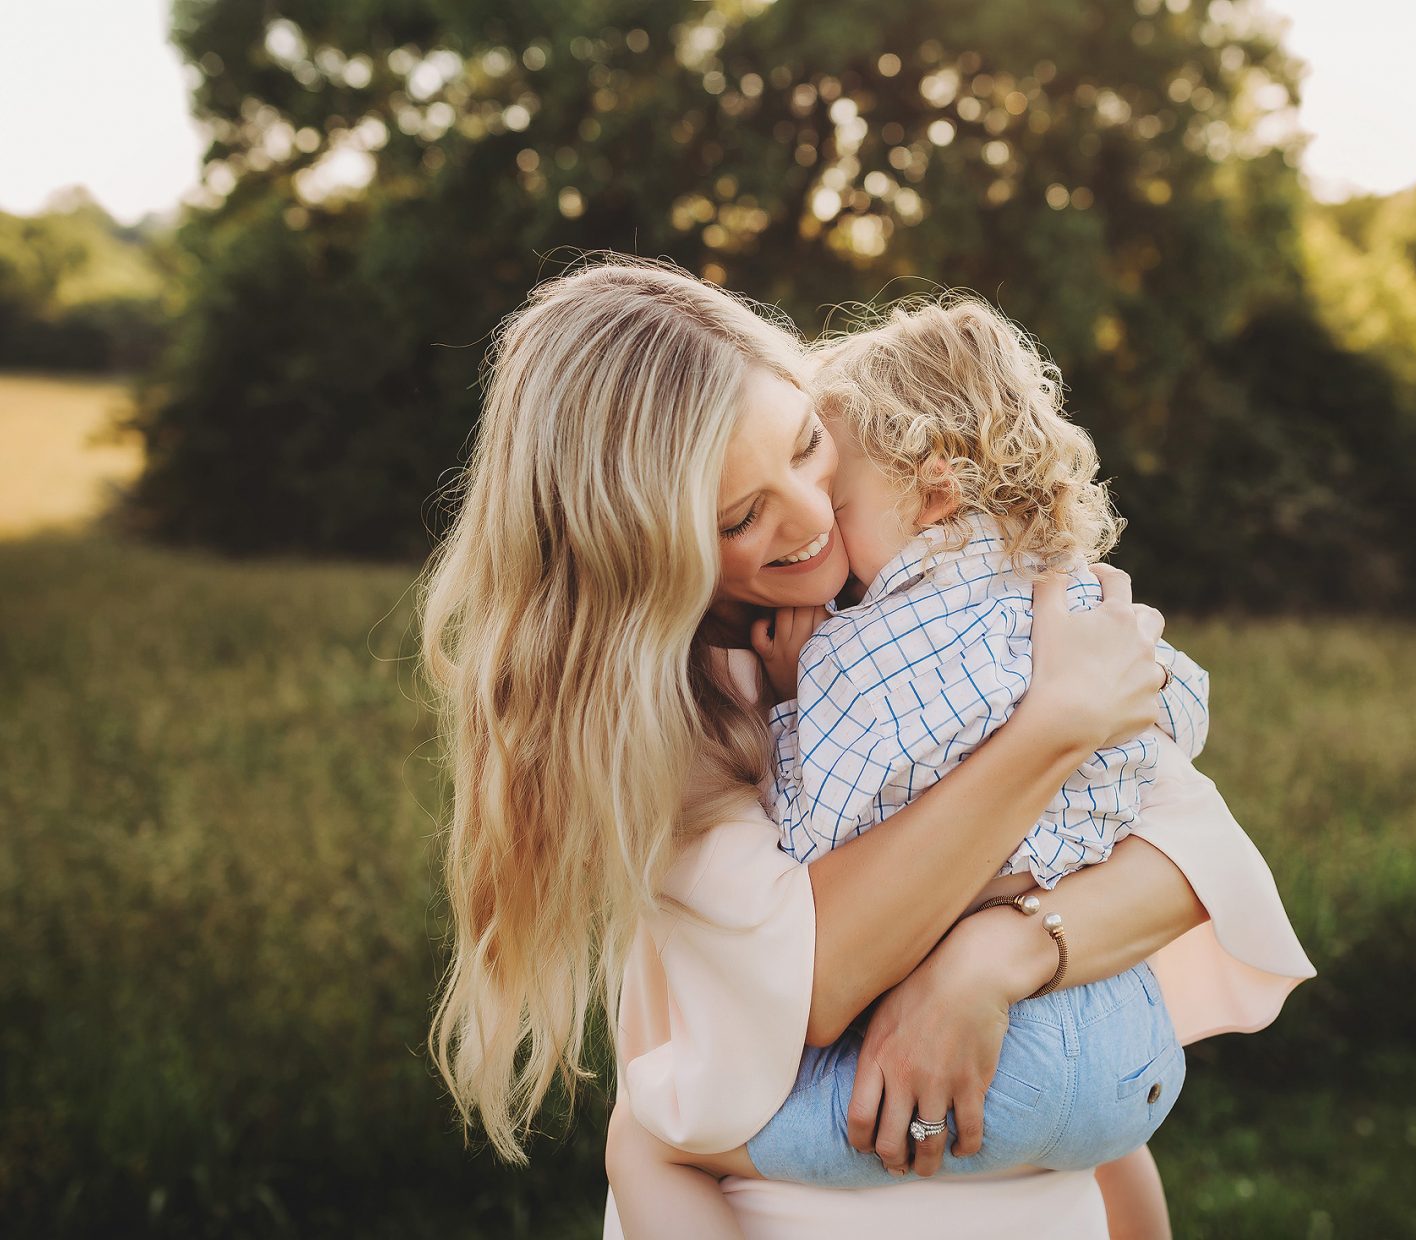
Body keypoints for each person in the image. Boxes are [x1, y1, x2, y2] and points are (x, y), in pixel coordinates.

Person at [416, 256, 1315, 1240]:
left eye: (804, 445)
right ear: (636, 550)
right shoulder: (660, 712)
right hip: (809, 1201)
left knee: (649, 1130)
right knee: (646, 1131)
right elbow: (818, 969)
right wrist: (1052, 728)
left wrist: (989, 958)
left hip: (1042, 1198)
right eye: (737, 516)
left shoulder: (924, 601)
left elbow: (1198, 859)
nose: (807, 520)